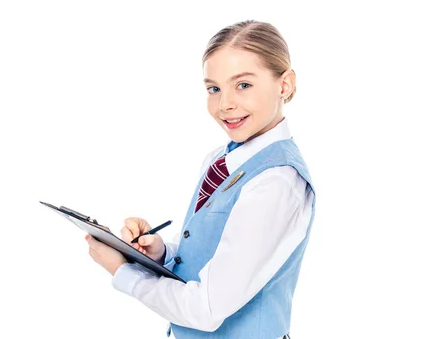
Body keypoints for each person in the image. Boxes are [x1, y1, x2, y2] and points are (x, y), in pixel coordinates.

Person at [84, 20, 315, 339]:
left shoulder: (277, 182)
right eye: (214, 88)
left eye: (243, 85)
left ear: (284, 85)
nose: (225, 104)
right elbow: (214, 258)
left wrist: (123, 272)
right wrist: (159, 253)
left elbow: (205, 309)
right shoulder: (221, 159)